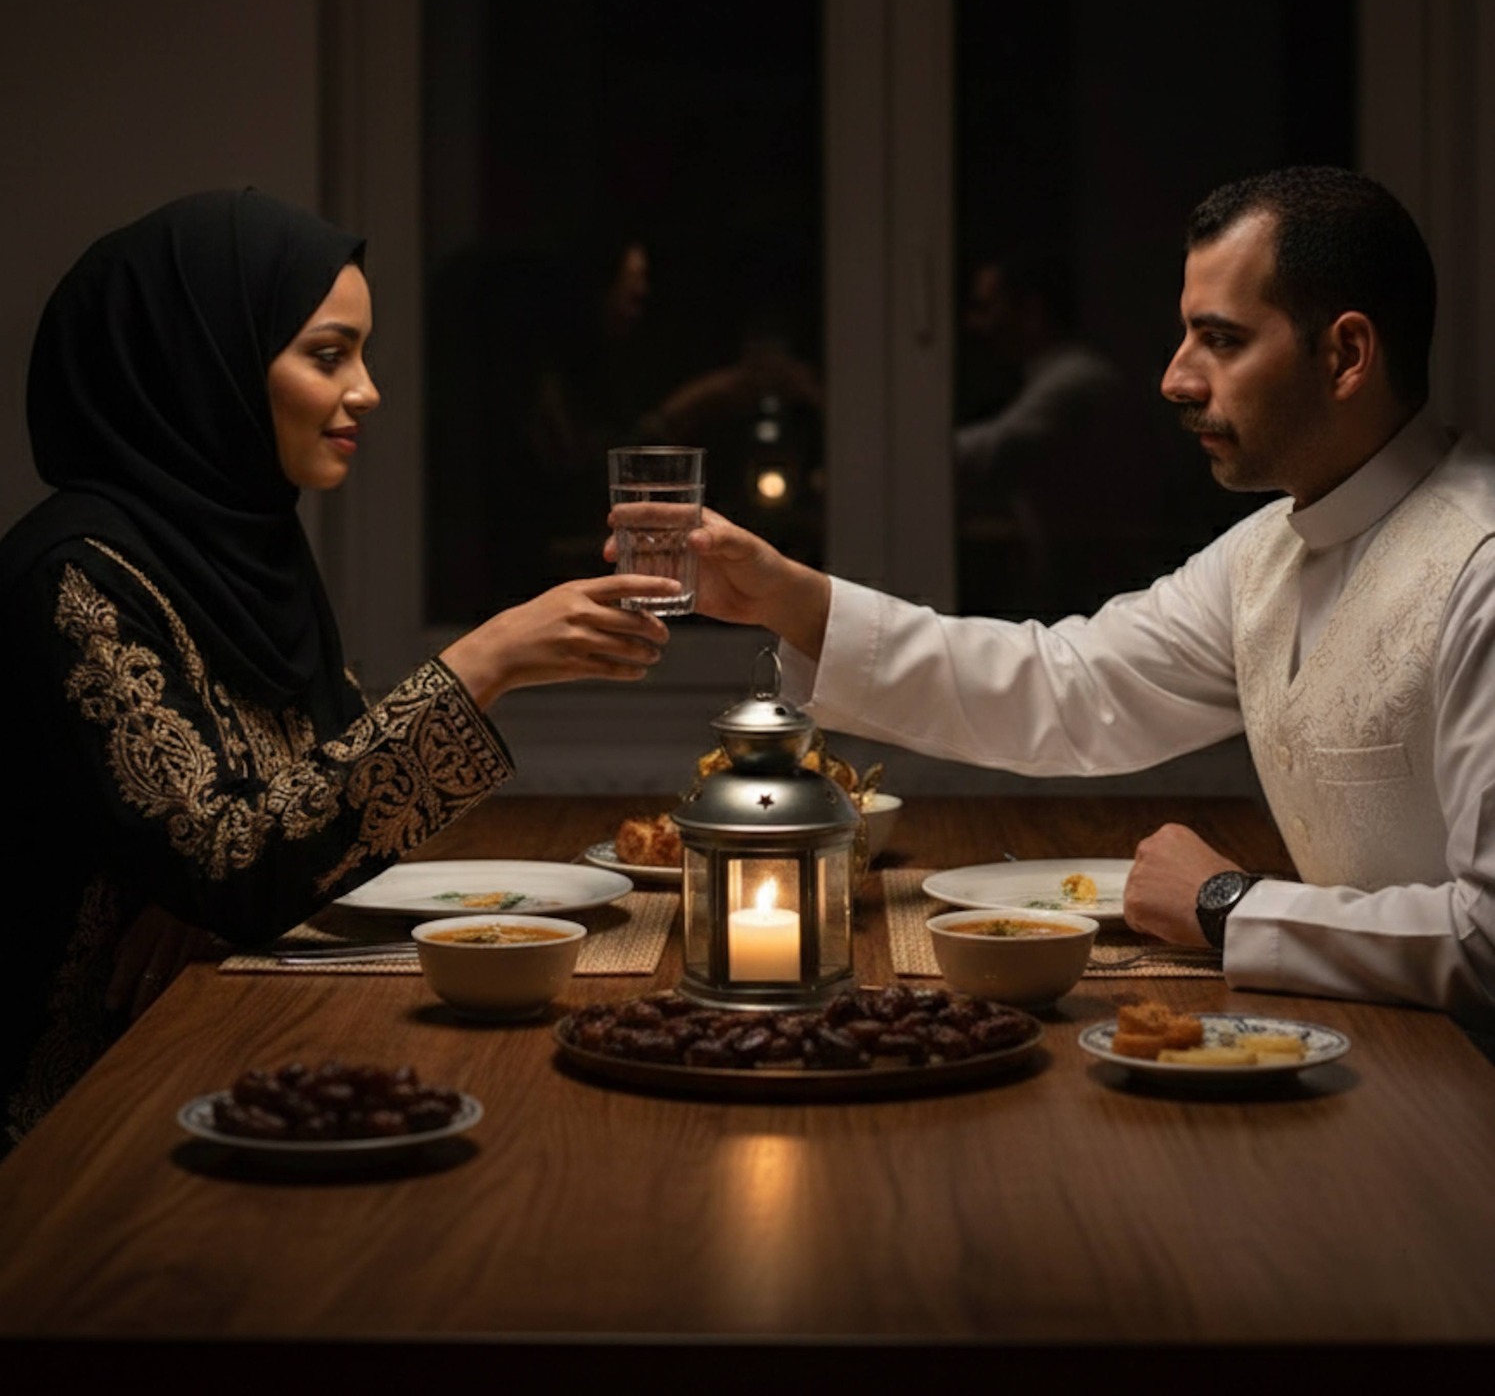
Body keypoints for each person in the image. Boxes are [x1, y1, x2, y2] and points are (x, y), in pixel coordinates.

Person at [655, 168, 1495, 1024]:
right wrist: (790, 599)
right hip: (1360, 1040)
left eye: (1221, 340)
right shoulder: (1267, 550)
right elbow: (1068, 685)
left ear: (1345, 355)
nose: (1175, 379)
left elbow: (1488, 940)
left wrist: (1227, 907)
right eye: (1186, 336)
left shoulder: (1481, 568)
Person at [0, 191, 674, 1144]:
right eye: (328, 355)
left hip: (222, 1034)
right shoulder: (75, 574)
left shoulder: (246, 550)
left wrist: (210, 885)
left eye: (360, 353)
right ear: (209, 363)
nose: (367, 390)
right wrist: (485, 660)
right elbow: (244, 859)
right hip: (79, 1103)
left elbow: (294, 820)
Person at [954, 248, 1158, 616]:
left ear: (1031, 311)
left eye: (986, 307)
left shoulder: (1076, 381)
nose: (974, 323)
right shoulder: (1056, 376)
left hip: (1101, 591)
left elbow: (984, 454)